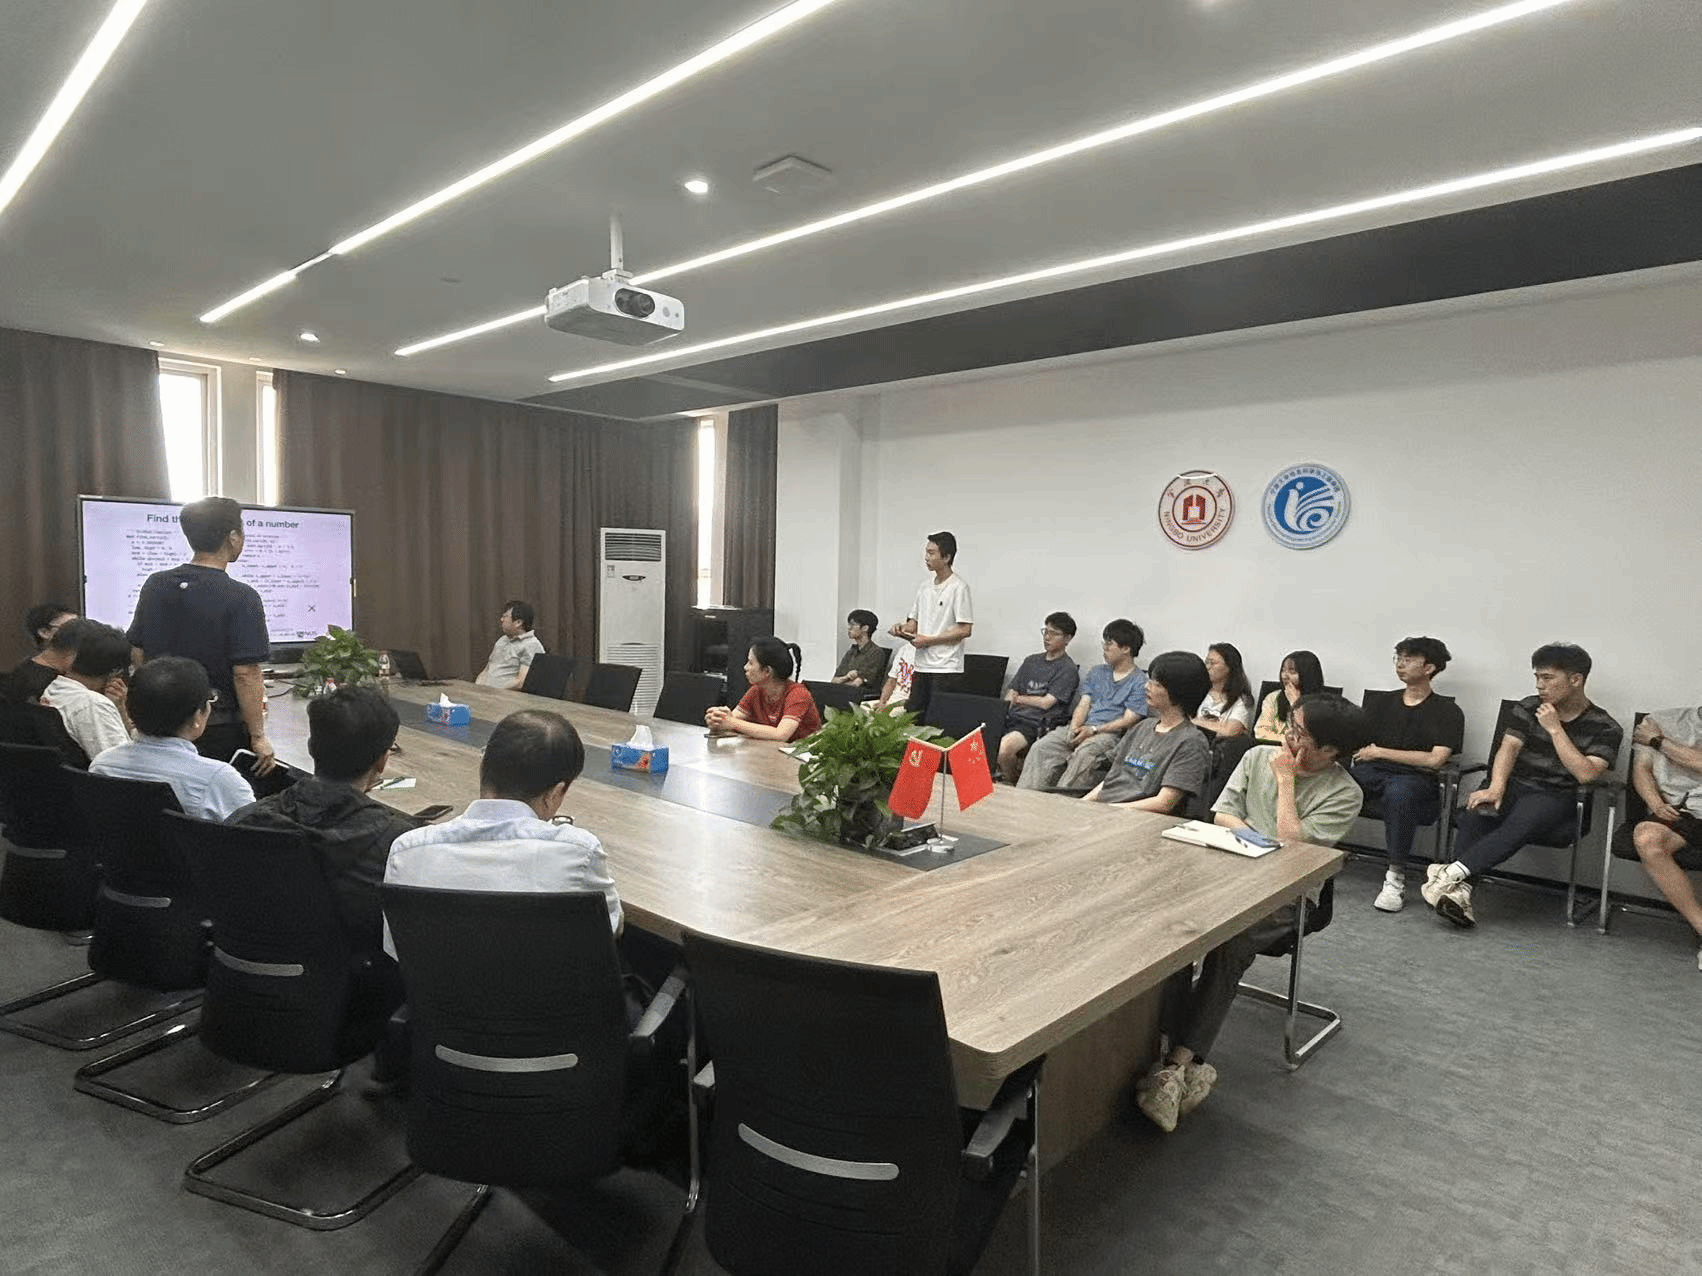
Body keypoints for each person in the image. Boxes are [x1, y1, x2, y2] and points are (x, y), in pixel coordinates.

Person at [1136, 694, 1368, 1133]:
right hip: (1225, 870)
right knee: (1176, 926)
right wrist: (1259, 844)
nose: (1287, 737)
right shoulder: (1257, 756)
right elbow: (1223, 813)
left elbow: (1295, 850)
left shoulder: (1344, 792)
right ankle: (1159, 1045)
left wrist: (1285, 782)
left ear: (1331, 751)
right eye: (1290, 726)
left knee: (1232, 941)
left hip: (1290, 894)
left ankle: (1179, 1063)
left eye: (1299, 734)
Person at [1422, 643, 1622, 928]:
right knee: (1478, 812)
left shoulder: (1606, 726)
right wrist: (1496, 786)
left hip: (1558, 794)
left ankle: (1448, 875)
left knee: (1526, 816)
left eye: (1548, 678)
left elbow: (1586, 774)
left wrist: (1555, 728)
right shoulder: (1529, 706)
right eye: (1537, 677)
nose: (1540, 685)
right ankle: (1460, 893)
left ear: (1576, 679)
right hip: (1514, 785)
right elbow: (1509, 748)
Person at [385, 709, 622, 933]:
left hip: (433, 966)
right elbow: (610, 928)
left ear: (483, 768)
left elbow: (395, 946)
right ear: (555, 793)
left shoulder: (406, 851)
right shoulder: (580, 852)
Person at [127, 496, 275, 774]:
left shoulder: (156, 584)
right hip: (215, 727)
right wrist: (258, 736)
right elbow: (246, 673)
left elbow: (138, 651)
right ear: (233, 537)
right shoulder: (242, 597)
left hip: (159, 722)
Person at [1351, 637, 1465, 913]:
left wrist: (1380, 752)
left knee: (1400, 793)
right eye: (1398, 658)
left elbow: (1435, 759)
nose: (1400, 664)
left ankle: (1395, 878)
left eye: (1409, 659)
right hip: (1373, 772)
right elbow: (1358, 743)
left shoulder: (1447, 711)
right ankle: (1310, 853)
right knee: (1330, 779)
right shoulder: (1381, 703)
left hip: (1416, 779)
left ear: (1429, 668)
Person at [90, 657, 255, 820]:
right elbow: (254, 831)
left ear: (128, 708)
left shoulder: (103, 765)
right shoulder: (218, 780)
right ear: (198, 715)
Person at [1613, 709, 1702, 968]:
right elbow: (1641, 769)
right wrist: (1656, 804)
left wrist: (1659, 741)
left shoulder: (1655, 733)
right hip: (1681, 809)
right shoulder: (1660, 721)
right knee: (1647, 838)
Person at [1017, 619, 1148, 791]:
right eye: (1104, 643)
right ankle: (1026, 795)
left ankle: (1061, 801)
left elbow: (1129, 720)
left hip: (1110, 735)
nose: (1104, 648)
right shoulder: (1097, 672)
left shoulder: (1139, 681)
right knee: (1042, 747)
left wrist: (1093, 730)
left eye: (1109, 644)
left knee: (1084, 753)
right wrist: (1075, 727)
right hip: (1083, 726)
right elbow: (1083, 704)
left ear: (1126, 649)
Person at [1082, 651, 1212, 813]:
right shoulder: (1142, 726)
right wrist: (1082, 804)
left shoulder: (1191, 742)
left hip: (1135, 817)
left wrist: (1107, 810)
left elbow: (1164, 803)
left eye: (1156, 684)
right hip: (1104, 810)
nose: (1146, 687)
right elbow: (1111, 780)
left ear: (1178, 692)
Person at [889, 532, 973, 720]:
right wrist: (901, 629)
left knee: (936, 723)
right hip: (921, 665)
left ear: (947, 557)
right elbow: (913, 624)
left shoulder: (958, 587)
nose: (926, 557)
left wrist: (930, 640)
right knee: (913, 719)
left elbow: (965, 629)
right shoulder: (924, 587)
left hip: (946, 668)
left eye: (931, 553)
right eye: (926, 552)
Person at [997, 613, 1082, 784]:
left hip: (1035, 724)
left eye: (1054, 633)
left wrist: (1018, 699)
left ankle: (1010, 781)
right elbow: (1010, 694)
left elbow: (1046, 703)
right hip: (1011, 717)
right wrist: (1004, 709)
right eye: (1046, 631)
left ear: (1067, 638)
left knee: (1004, 748)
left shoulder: (1068, 669)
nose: (1047, 637)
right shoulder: (1031, 661)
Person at [42, 623, 132, 761]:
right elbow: (119, 765)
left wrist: (121, 712)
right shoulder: (94, 705)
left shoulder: (50, 689)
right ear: (115, 672)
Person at [705, 637, 822, 743]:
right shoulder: (756, 690)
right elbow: (733, 719)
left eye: (750, 663)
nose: (745, 667)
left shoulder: (798, 694)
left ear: (767, 671)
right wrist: (718, 719)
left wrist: (731, 722)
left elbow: (781, 734)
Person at [4, 615, 93, 705]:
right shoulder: (45, 683)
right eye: (69, 627)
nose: (79, 630)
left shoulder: (28, 666)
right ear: (44, 632)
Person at [1253, 650, 1325, 744]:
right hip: (1273, 748)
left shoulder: (1324, 704)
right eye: (1283, 670)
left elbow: (1312, 739)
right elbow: (1261, 733)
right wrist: (1290, 741)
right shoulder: (1273, 697)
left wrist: (1296, 704)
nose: (1284, 676)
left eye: (1292, 671)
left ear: (1307, 674)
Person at [476, 600, 546, 690]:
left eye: (505, 617)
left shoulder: (532, 645)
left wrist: (491, 690)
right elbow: (488, 668)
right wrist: (477, 687)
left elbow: (521, 682)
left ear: (518, 623)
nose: (501, 620)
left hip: (504, 695)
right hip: (484, 692)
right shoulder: (502, 640)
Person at [1194, 642, 1254, 740]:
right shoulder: (1196, 692)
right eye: (1206, 662)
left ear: (1229, 667)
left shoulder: (1241, 700)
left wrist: (1195, 722)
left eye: (1213, 663)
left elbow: (1230, 730)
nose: (1207, 667)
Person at [830, 609, 888, 691]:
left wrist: (842, 681)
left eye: (853, 624)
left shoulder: (876, 653)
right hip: (842, 691)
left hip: (859, 694)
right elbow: (834, 680)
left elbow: (856, 684)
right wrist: (846, 677)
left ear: (865, 628)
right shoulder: (851, 651)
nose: (849, 628)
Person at [870, 640, 917, 715]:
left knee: (887, 715)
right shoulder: (905, 649)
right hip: (893, 699)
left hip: (907, 704)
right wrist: (882, 702)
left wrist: (889, 706)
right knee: (863, 707)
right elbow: (891, 680)